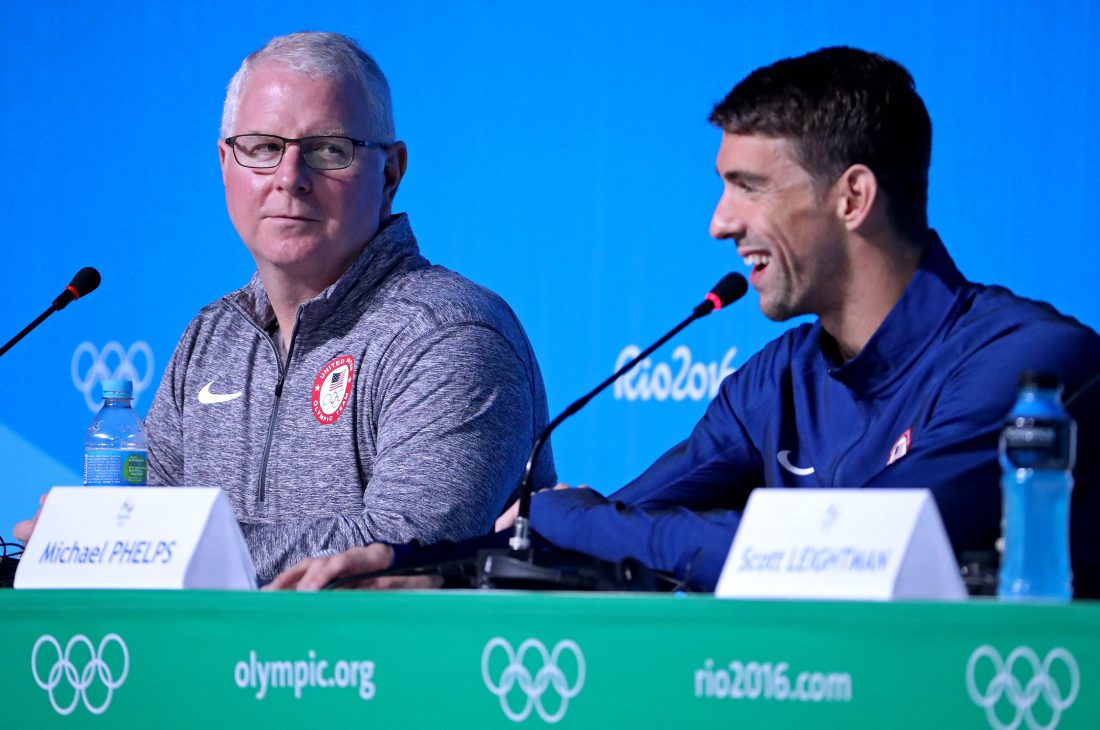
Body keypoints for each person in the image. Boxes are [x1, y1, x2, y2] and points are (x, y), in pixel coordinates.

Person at [275, 46, 1100, 597]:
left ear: (852, 197)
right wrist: (410, 562)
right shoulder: (774, 384)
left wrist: (580, 517)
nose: (719, 221)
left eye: (749, 186)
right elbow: (580, 534)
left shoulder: (1036, 367)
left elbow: (859, 560)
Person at [16, 32, 555, 582]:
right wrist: (88, 539)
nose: (289, 179)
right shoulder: (211, 338)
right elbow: (128, 529)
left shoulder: (451, 335)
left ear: (390, 173)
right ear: (225, 163)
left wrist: (124, 541)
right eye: (262, 147)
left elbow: (402, 545)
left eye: (329, 150)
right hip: (205, 665)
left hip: (380, 666)